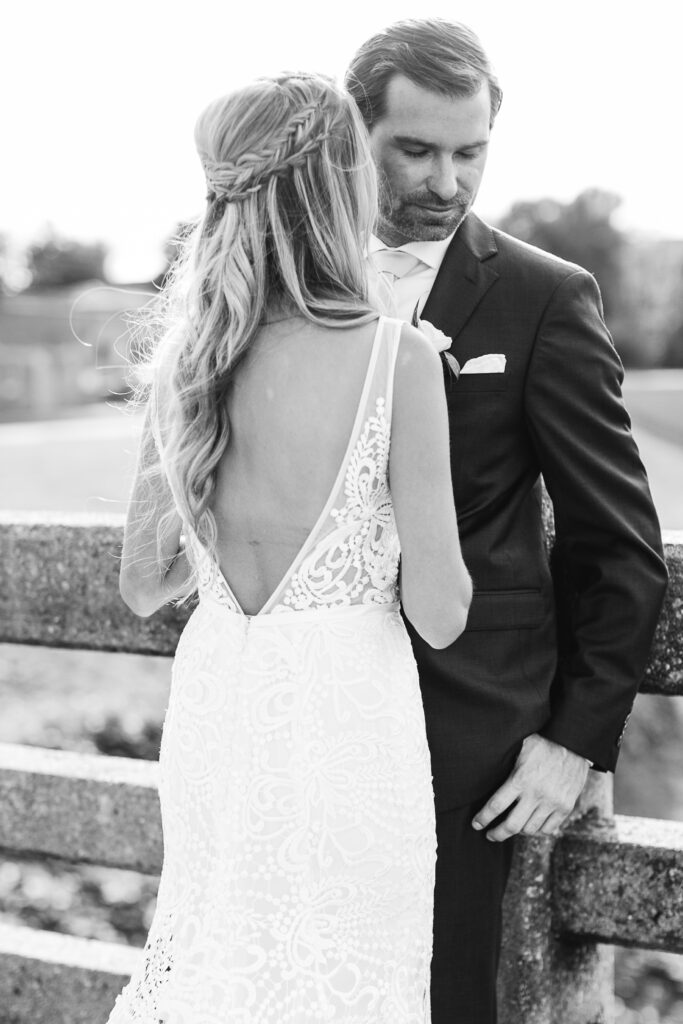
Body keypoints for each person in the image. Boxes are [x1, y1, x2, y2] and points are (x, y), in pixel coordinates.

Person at [110, 71, 471, 1023]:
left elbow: (144, 584)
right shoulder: (399, 359)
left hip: (221, 713)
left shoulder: (185, 366)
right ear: (340, 187)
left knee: (219, 960)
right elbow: (439, 614)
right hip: (350, 727)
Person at [345, 18, 668, 1024]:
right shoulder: (287, 279)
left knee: (444, 1002)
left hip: (467, 736)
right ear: (353, 134)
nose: (446, 183)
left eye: (468, 153)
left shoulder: (541, 297)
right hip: (311, 706)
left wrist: (574, 741)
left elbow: (615, 542)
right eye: (415, 150)